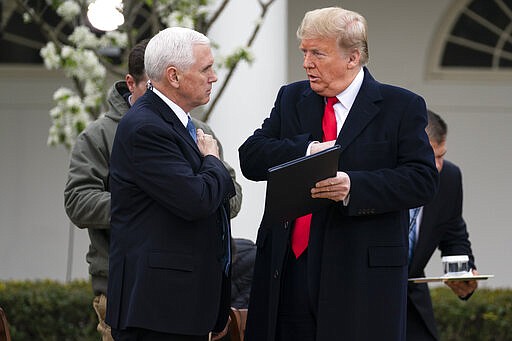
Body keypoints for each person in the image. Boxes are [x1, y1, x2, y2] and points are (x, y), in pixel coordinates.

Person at [238, 7, 439, 341]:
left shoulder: (401, 106)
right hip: (287, 273)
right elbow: (251, 157)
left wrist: (353, 186)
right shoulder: (291, 98)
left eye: (318, 53)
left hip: (360, 280)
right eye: (304, 52)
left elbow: (422, 180)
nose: (307, 63)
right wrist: (305, 151)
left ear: (353, 57)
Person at [64, 36, 242, 340]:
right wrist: (211, 161)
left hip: (181, 304)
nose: (214, 77)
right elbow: (197, 199)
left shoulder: (182, 125)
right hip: (159, 309)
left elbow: (225, 196)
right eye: (206, 69)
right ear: (173, 76)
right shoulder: (147, 127)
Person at [407, 110, 478, 341]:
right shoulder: (381, 177)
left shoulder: (449, 177)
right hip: (364, 303)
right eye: (431, 157)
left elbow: (453, 234)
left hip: (413, 312)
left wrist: (464, 274)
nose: (438, 166)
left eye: (442, 156)